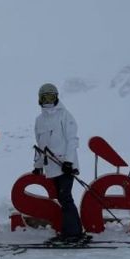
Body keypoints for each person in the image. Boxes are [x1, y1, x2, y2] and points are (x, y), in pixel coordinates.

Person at [32, 83, 85, 244]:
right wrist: (38, 165)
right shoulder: (39, 120)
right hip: (52, 167)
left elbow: (72, 140)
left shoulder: (64, 115)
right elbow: (40, 145)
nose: (48, 100)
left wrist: (69, 162)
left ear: (57, 97)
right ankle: (74, 230)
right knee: (62, 198)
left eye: (51, 96)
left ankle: (73, 233)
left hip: (65, 165)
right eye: (45, 97)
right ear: (40, 99)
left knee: (65, 197)